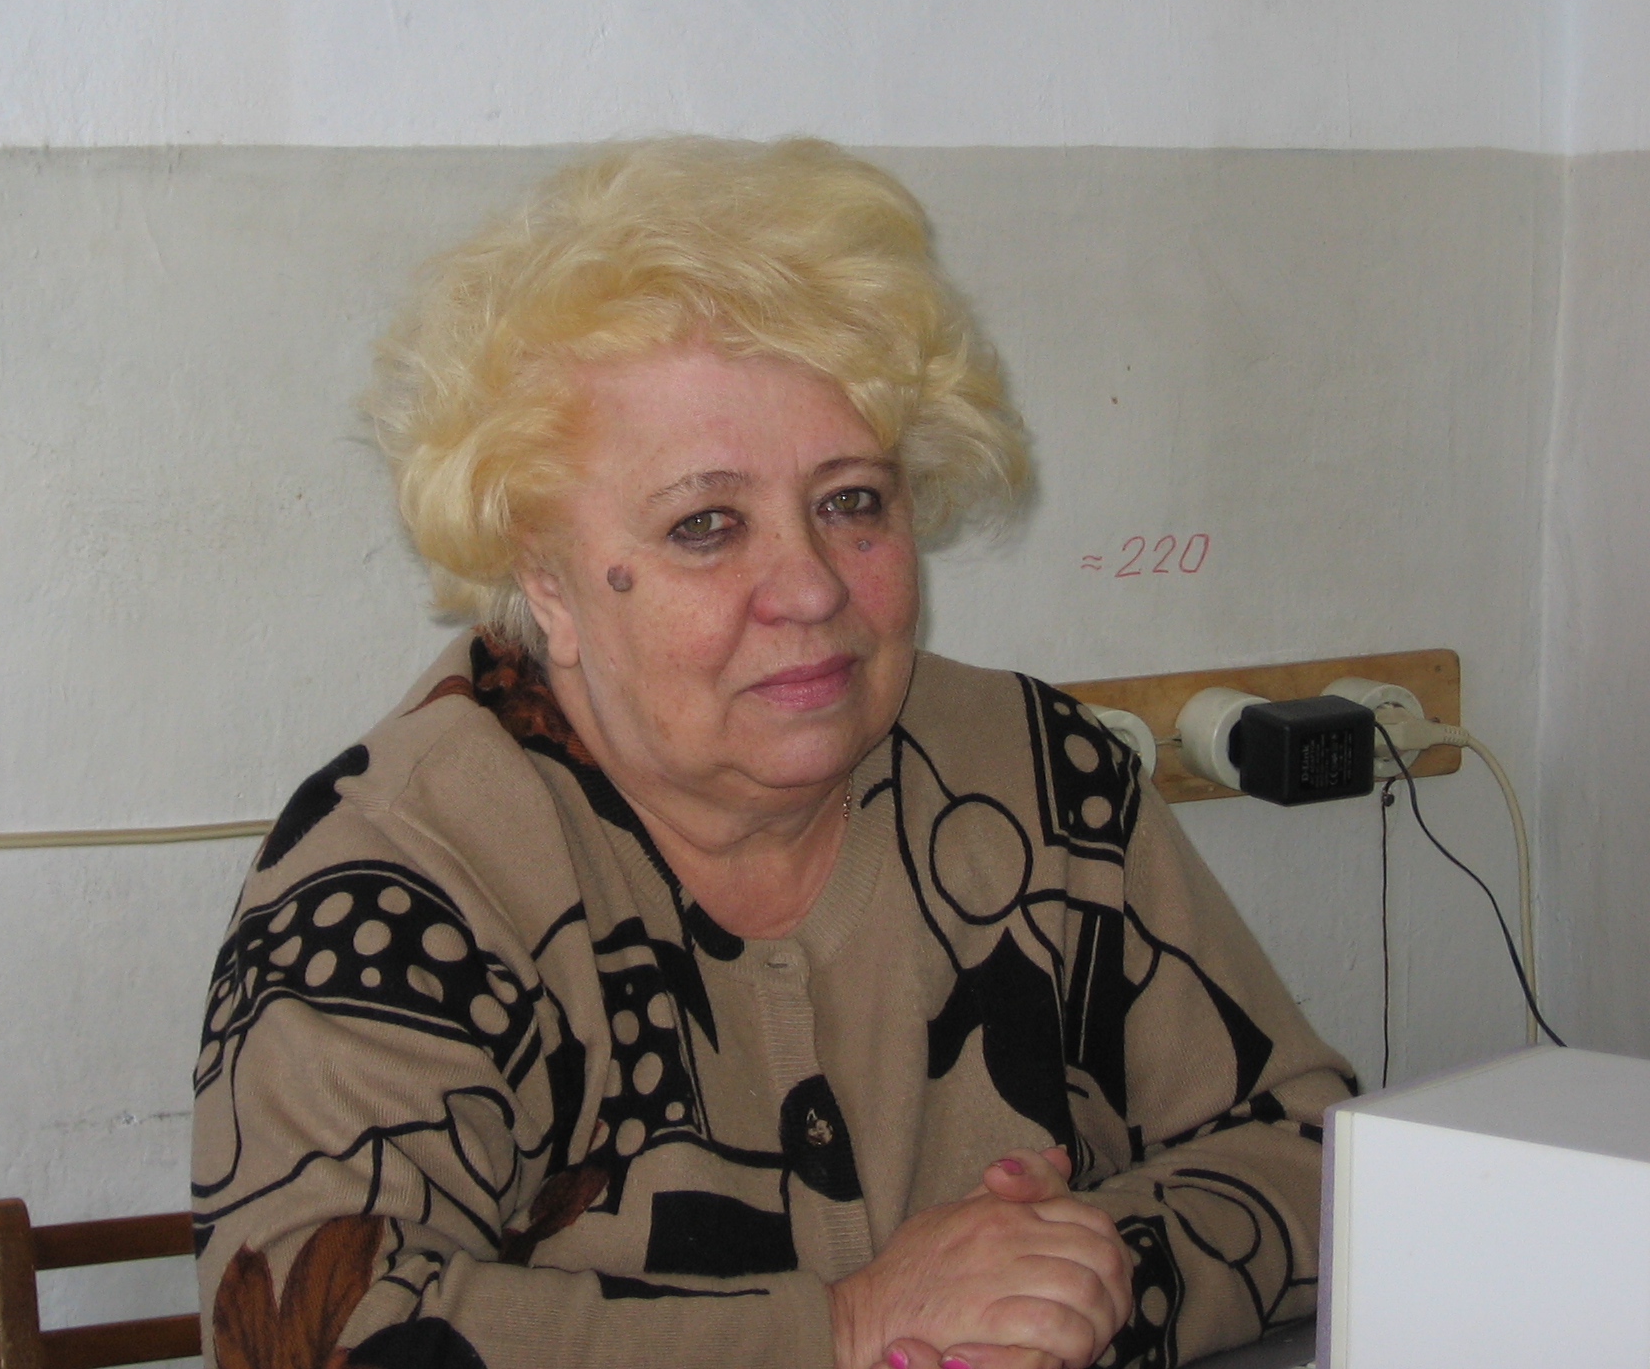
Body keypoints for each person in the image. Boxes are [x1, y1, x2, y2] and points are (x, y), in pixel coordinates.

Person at [192, 138, 1352, 1369]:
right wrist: (848, 1330)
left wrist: (1073, 1285)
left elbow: (1318, 1158)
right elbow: (313, 1333)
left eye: (851, 500)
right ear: (548, 582)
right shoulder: (399, 878)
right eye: (705, 524)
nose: (808, 587)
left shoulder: (1041, 780)